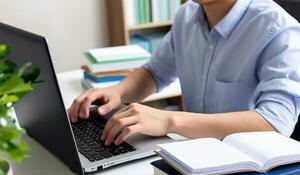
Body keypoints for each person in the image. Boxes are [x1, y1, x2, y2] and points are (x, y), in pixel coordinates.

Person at [68, 0, 300, 146]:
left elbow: (275, 121)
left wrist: (169, 120)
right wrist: (117, 91)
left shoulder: (278, 29)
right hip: (191, 153)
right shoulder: (186, 15)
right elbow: (155, 73)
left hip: (246, 164)